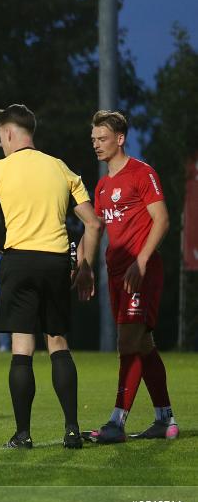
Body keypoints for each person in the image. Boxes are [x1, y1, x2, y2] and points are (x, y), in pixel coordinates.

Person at [0, 104, 100, 450]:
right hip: (57, 262)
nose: (0, 143)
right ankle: (72, 429)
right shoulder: (60, 168)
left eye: (0, 137)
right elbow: (93, 222)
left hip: (19, 261)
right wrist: (85, 266)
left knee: (22, 347)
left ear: (9, 133)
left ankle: (23, 434)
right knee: (58, 343)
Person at [87, 110, 179, 442]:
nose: (96, 144)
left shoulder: (142, 173)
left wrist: (140, 262)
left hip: (141, 271)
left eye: (103, 138)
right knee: (142, 344)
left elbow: (163, 220)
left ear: (120, 139)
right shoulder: (102, 186)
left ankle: (116, 423)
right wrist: (85, 265)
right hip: (116, 275)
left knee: (128, 342)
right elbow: (97, 229)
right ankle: (164, 419)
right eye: (94, 139)